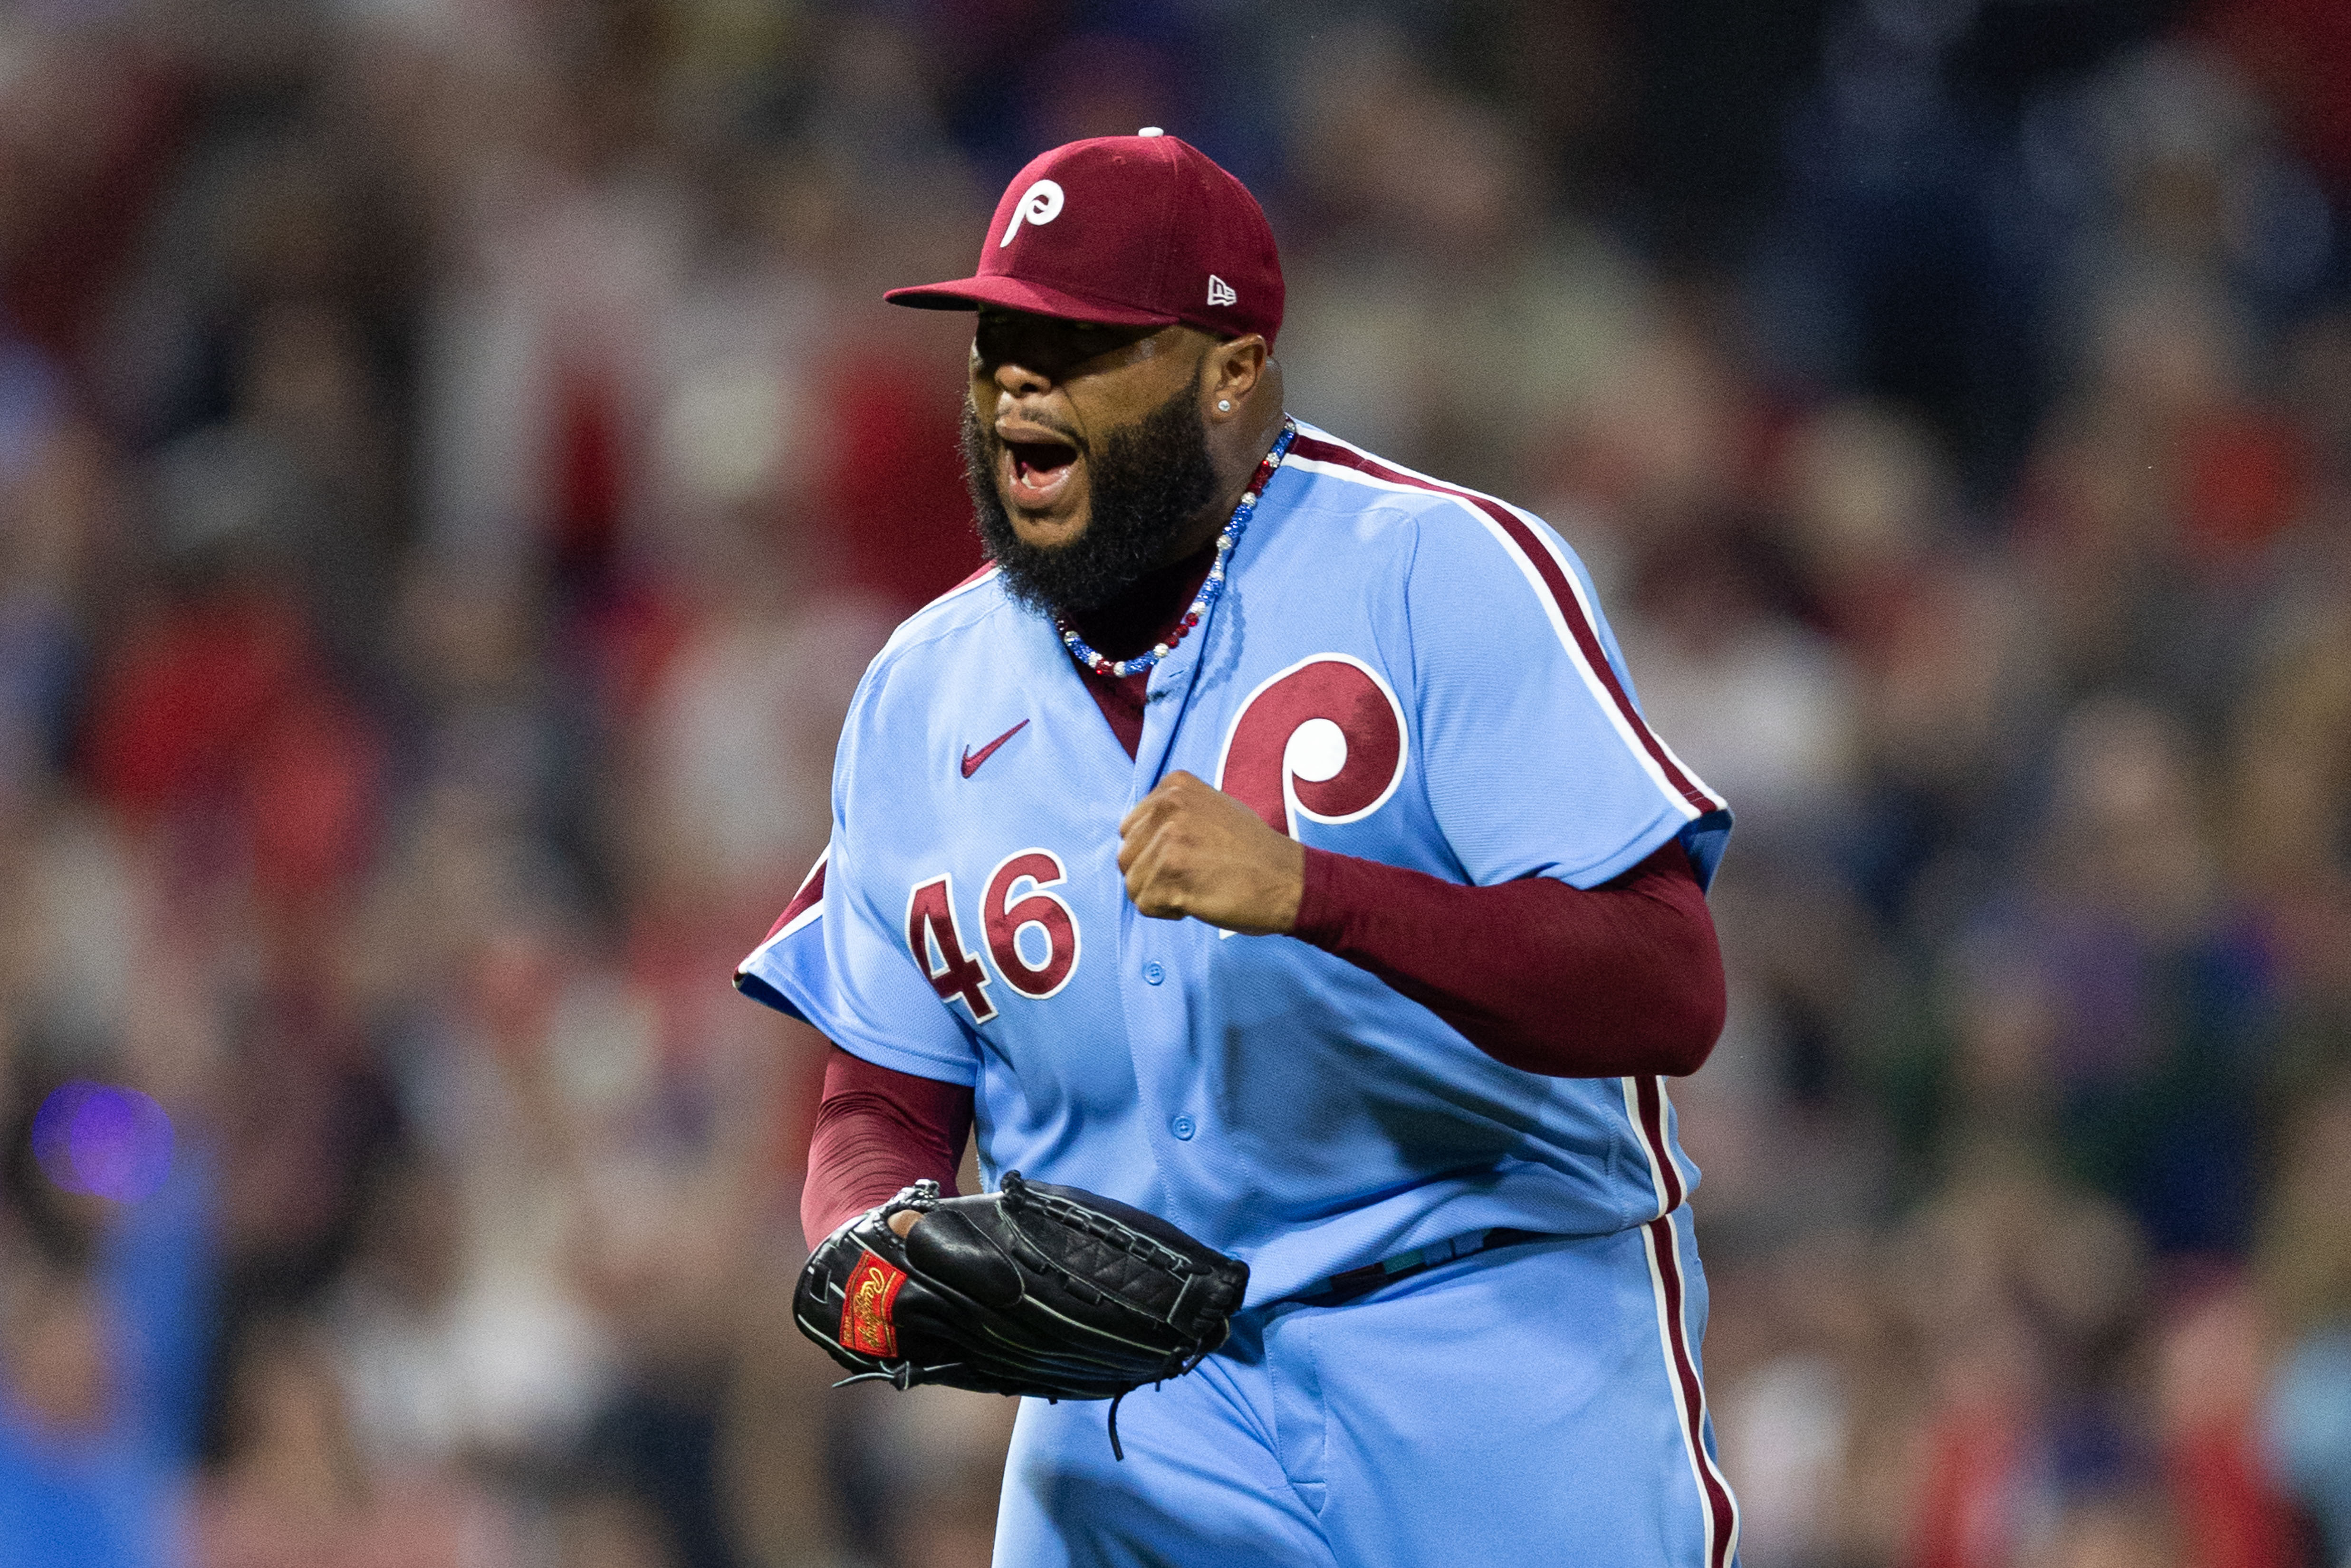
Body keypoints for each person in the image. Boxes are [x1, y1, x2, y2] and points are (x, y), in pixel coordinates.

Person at [736, 130, 1741, 1568]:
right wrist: (871, 1239)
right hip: (1136, 1409)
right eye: (999, 341)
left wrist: (1315, 892)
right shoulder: (921, 689)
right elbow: (881, 1091)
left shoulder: (1434, 571)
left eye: (1080, 345)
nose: (1020, 379)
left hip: (1491, 1349)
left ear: (1228, 369)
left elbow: (1666, 985)